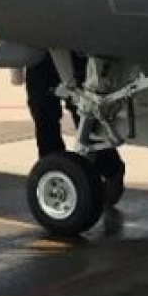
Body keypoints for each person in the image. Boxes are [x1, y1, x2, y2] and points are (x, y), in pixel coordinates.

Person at [25, 50, 125, 204]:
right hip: (41, 52)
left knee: (84, 111)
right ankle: (54, 172)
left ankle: (110, 169)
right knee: (43, 113)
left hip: (75, 50)